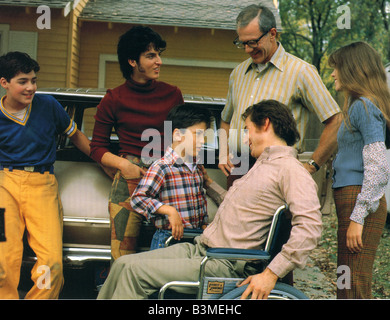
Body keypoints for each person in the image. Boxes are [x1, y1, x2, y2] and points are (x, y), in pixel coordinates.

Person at [97, 99, 322, 300]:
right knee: (122, 265)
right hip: (201, 248)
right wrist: (208, 184)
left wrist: (271, 274)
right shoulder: (263, 165)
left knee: (133, 274)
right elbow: (237, 204)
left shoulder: (290, 170)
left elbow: (310, 227)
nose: (245, 138)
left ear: (265, 124)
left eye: (247, 130)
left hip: (224, 262)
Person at [218, 4, 341, 187]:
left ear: (272, 34)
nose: (247, 50)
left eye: (252, 42)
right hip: (238, 168)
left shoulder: (301, 72)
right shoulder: (237, 73)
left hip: (277, 170)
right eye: (242, 43)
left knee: (274, 217)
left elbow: (336, 120)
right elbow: (226, 119)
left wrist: (312, 165)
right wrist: (223, 152)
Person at [0, 51, 91, 299]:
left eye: (34, 80)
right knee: (2, 263)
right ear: (4, 83)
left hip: (42, 184)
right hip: (4, 186)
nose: (30, 87)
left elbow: (77, 136)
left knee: (52, 263)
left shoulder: (49, 105)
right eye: (23, 81)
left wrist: (106, 161)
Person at [90, 26, 184, 260]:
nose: (159, 61)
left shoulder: (173, 94)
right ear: (132, 61)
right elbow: (97, 148)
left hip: (167, 179)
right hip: (129, 180)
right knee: (121, 255)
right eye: (151, 56)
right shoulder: (114, 98)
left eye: (158, 54)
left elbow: (183, 141)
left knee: (170, 252)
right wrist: (124, 166)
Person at [328, 41, 390, 299]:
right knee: (347, 283)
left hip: (359, 200)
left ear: (353, 70)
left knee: (354, 286)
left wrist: (358, 216)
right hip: (351, 198)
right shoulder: (358, 106)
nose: (332, 73)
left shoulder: (364, 106)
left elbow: (378, 165)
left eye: (337, 68)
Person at [130, 104, 213, 250]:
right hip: (168, 240)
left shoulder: (197, 168)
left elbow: (200, 202)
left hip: (193, 240)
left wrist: (204, 224)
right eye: (197, 134)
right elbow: (138, 199)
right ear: (177, 135)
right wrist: (169, 210)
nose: (202, 141)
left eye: (204, 135)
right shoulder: (162, 166)